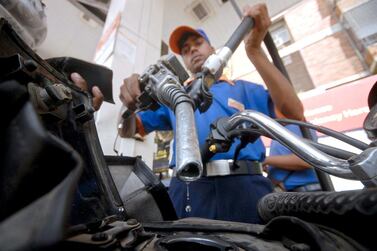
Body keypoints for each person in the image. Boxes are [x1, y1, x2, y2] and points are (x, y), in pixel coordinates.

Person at [118, 4, 304, 224]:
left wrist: (254, 50)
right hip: (188, 189)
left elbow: (294, 112)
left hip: (246, 186)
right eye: (185, 50)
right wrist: (128, 107)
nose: (192, 50)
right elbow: (129, 131)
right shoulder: (173, 95)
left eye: (198, 43)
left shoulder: (242, 88)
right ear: (184, 61)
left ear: (213, 49)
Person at [263, 124, 322, 192]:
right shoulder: (279, 129)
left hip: (306, 192)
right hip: (290, 192)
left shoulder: (296, 126)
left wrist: (265, 160)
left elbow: (306, 160)